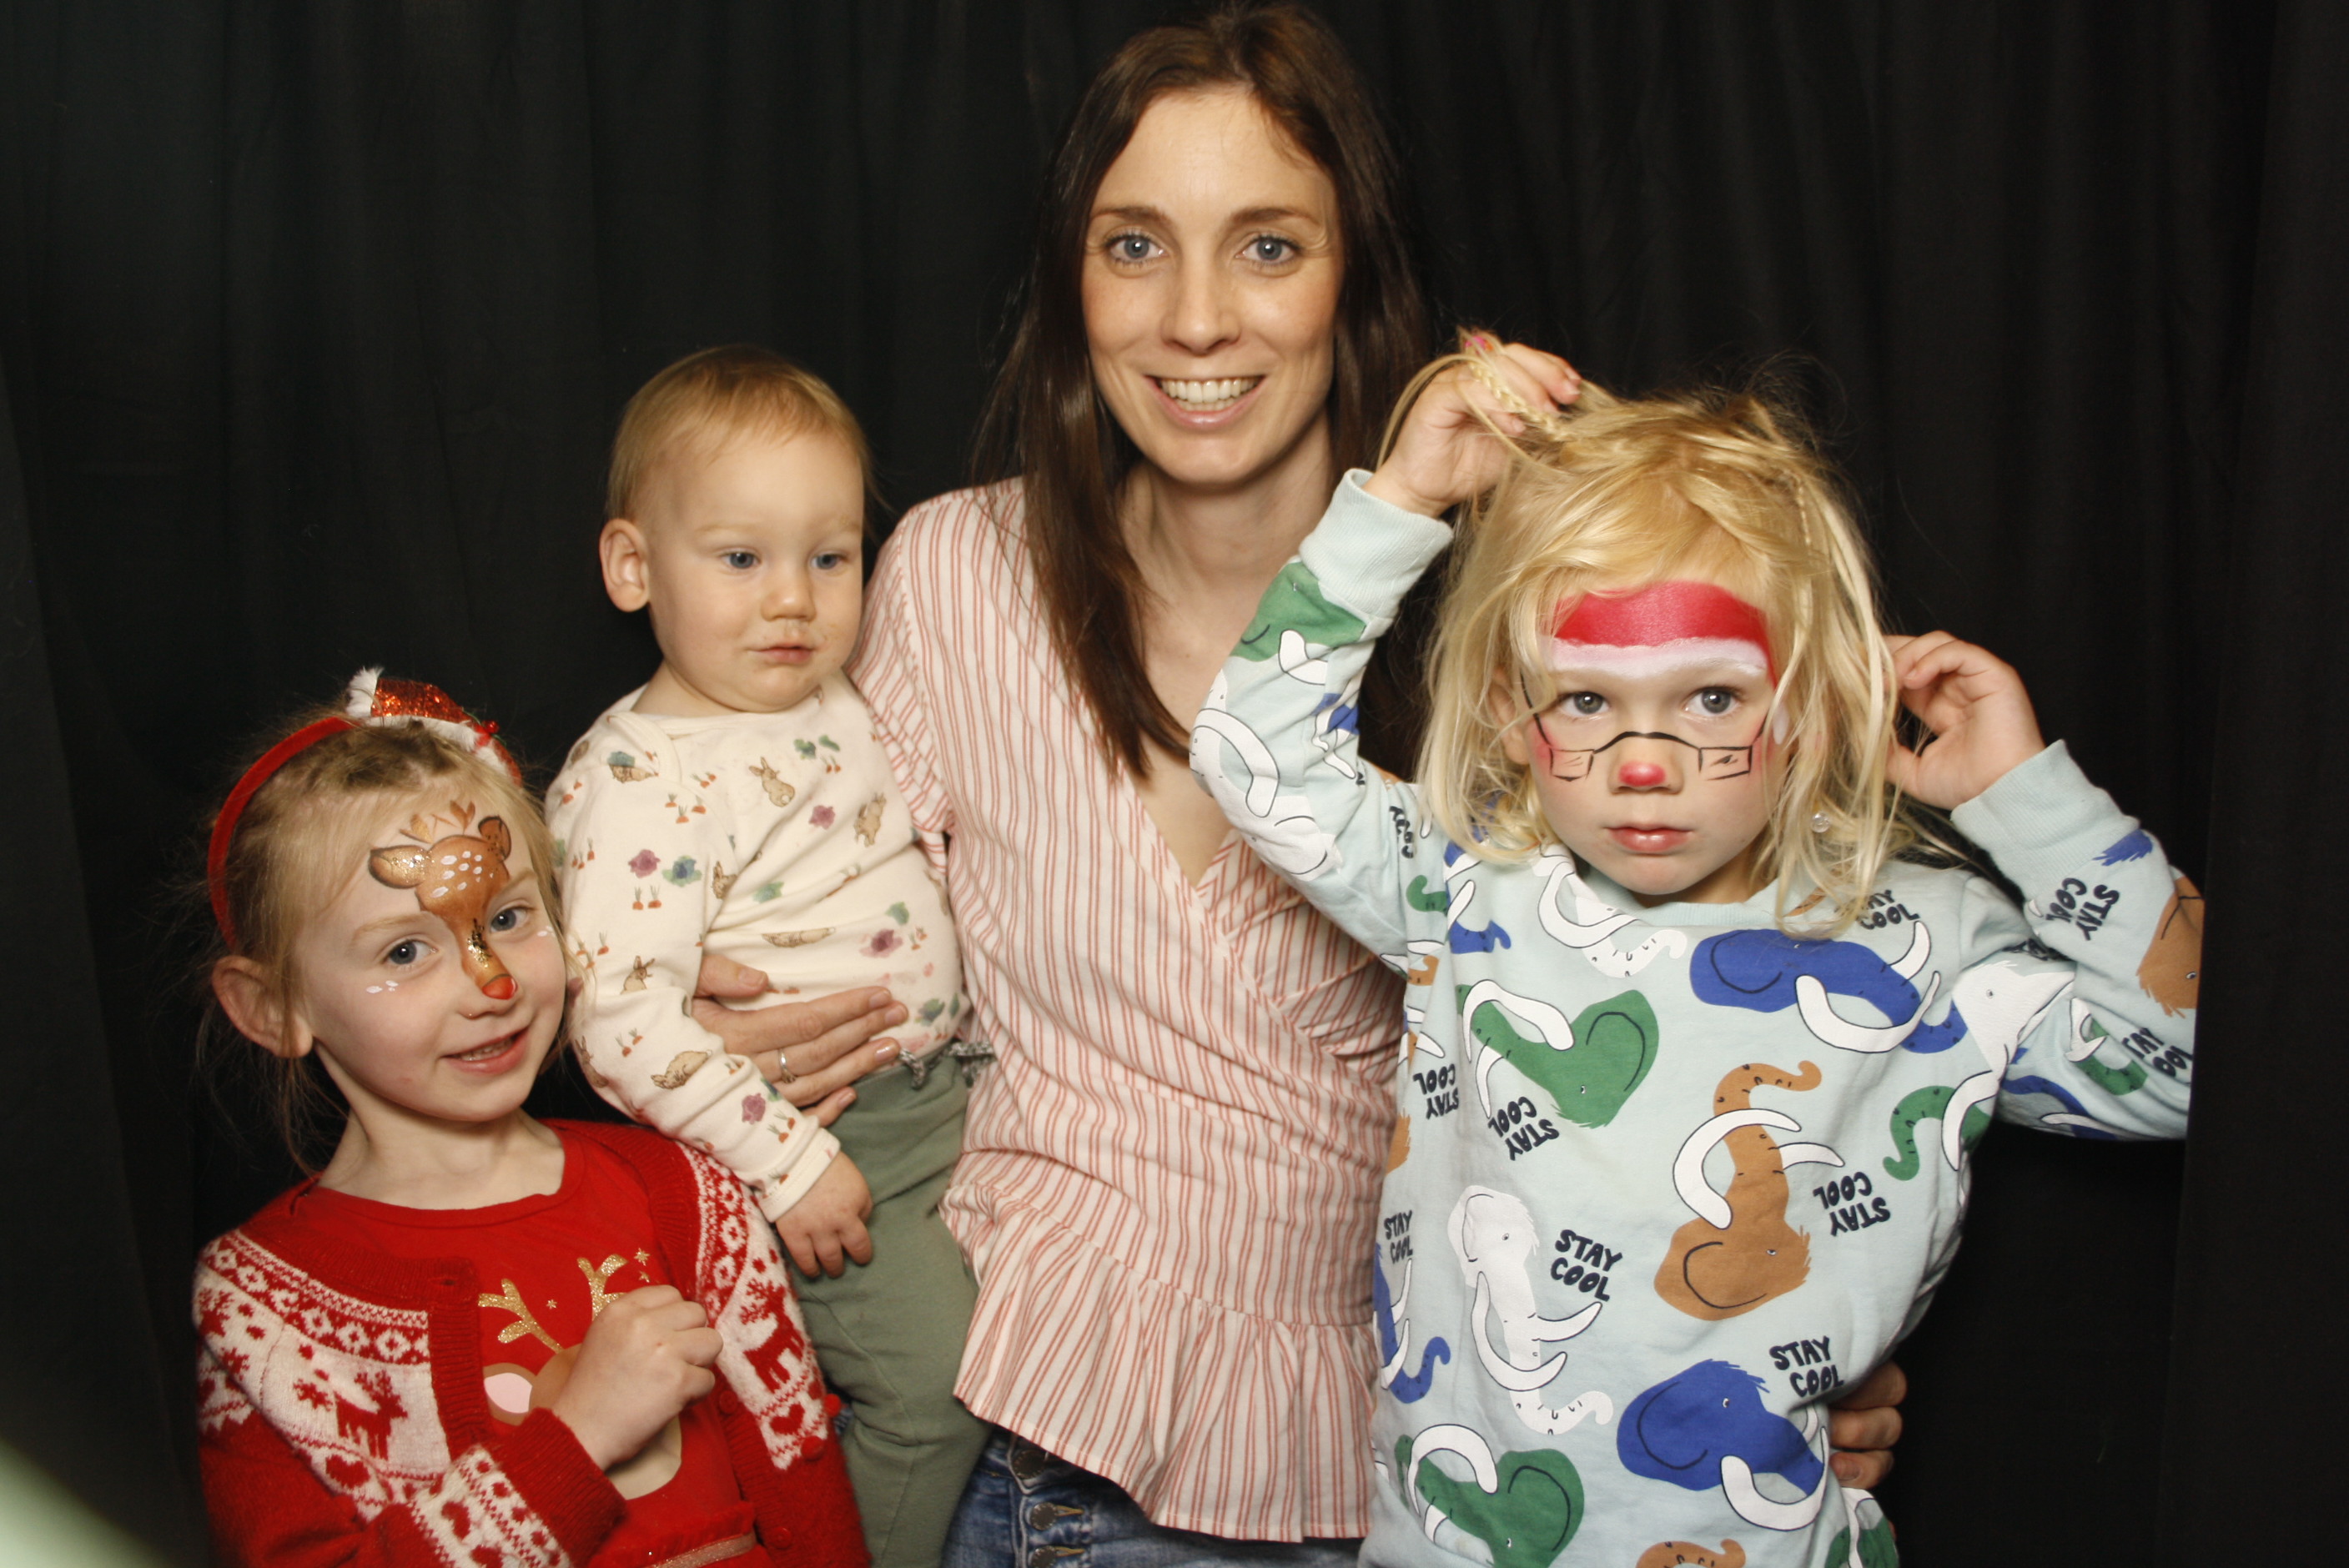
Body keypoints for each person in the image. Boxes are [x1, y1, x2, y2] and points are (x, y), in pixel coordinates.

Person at [708, 3, 1903, 1554]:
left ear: (1358, 278)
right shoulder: (955, 579)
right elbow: (759, 888)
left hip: (1419, 1487)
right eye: (1135, 246)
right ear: (1075, 285)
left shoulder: (1524, 633)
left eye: (1267, 246)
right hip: (1025, 1444)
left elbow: (1712, 1012)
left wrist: (1785, 1331)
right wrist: (729, 1022)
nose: (1195, 320)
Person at [1191, 345, 2201, 1565]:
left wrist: (2025, 800)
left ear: (1815, 704)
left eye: (1712, 700)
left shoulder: (1916, 944)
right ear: (1514, 712)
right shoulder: (1466, 885)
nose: (1646, 762)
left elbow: (2189, 1064)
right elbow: (1255, 752)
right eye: (1587, 702)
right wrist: (1408, 495)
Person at [190, 672, 863, 1568]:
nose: (491, 983)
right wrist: (572, 1440)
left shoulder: (686, 1193)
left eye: (509, 916)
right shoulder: (253, 1312)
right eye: (403, 949)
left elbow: (807, 1494)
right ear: (273, 1006)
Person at [546, 345, 986, 1568]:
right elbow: (619, 1020)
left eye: (829, 557)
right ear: (635, 567)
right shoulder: (641, 777)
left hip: (953, 1100)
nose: (793, 598)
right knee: (935, 1391)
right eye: (742, 559)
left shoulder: (842, 697)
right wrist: (788, 1166)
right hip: (833, 1143)